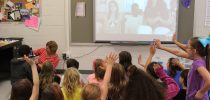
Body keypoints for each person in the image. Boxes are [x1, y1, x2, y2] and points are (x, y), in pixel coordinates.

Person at [154, 34, 210, 99]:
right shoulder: (201, 59)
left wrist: (201, 92)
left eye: (187, 47)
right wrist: (162, 47)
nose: (185, 49)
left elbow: (209, 80)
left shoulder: (197, 63)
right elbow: (178, 52)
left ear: (194, 51)